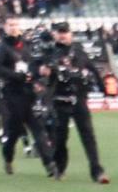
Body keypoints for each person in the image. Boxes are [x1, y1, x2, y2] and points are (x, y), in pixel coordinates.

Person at [38, 36, 110, 184]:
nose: (63, 35)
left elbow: (91, 68)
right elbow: (41, 71)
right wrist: (44, 72)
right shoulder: (51, 52)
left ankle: (97, 171)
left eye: (65, 31)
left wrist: (103, 88)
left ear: (71, 34)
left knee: (88, 136)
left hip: (78, 99)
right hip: (60, 100)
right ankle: (60, 167)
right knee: (60, 138)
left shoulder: (79, 51)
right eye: (59, 32)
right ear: (55, 33)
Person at [0, 30, 39, 177]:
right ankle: (11, 153)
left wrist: (33, 78)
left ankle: (48, 160)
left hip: (27, 91)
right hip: (8, 91)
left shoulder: (26, 48)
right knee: (14, 126)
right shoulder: (1, 49)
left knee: (37, 125)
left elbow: (33, 66)